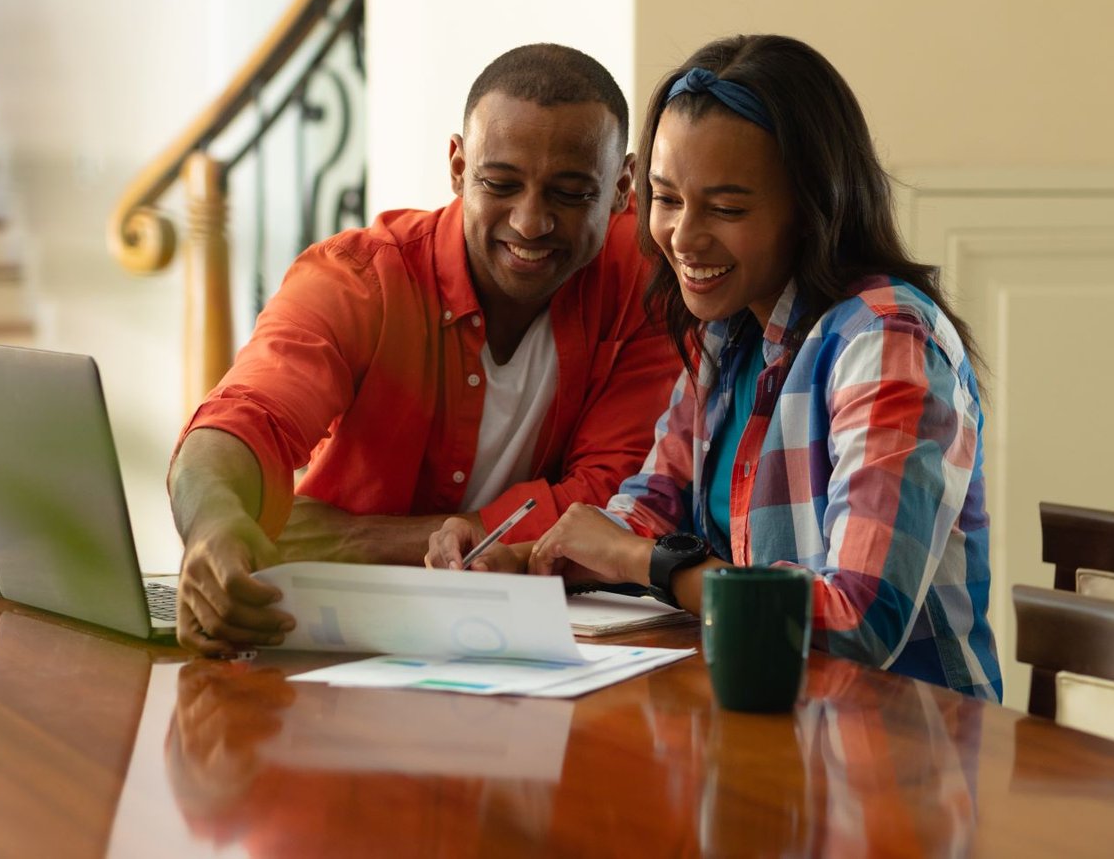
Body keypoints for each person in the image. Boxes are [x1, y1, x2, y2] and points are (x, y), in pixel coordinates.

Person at [427, 34, 1002, 701]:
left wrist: (648, 562)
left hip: (897, 759)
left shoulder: (887, 341)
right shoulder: (723, 336)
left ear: (813, 208)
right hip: (767, 735)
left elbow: (859, 618)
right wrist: (526, 560)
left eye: (727, 208)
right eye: (666, 198)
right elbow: (649, 508)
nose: (682, 236)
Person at [171, 43, 681, 656]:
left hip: (538, 650)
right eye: (500, 183)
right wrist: (214, 524)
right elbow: (246, 415)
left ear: (624, 186)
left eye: (570, 194)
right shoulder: (361, 279)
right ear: (458, 168)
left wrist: (360, 541)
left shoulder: (646, 279)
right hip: (331, 634)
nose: (530, 222)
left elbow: (607, 500)